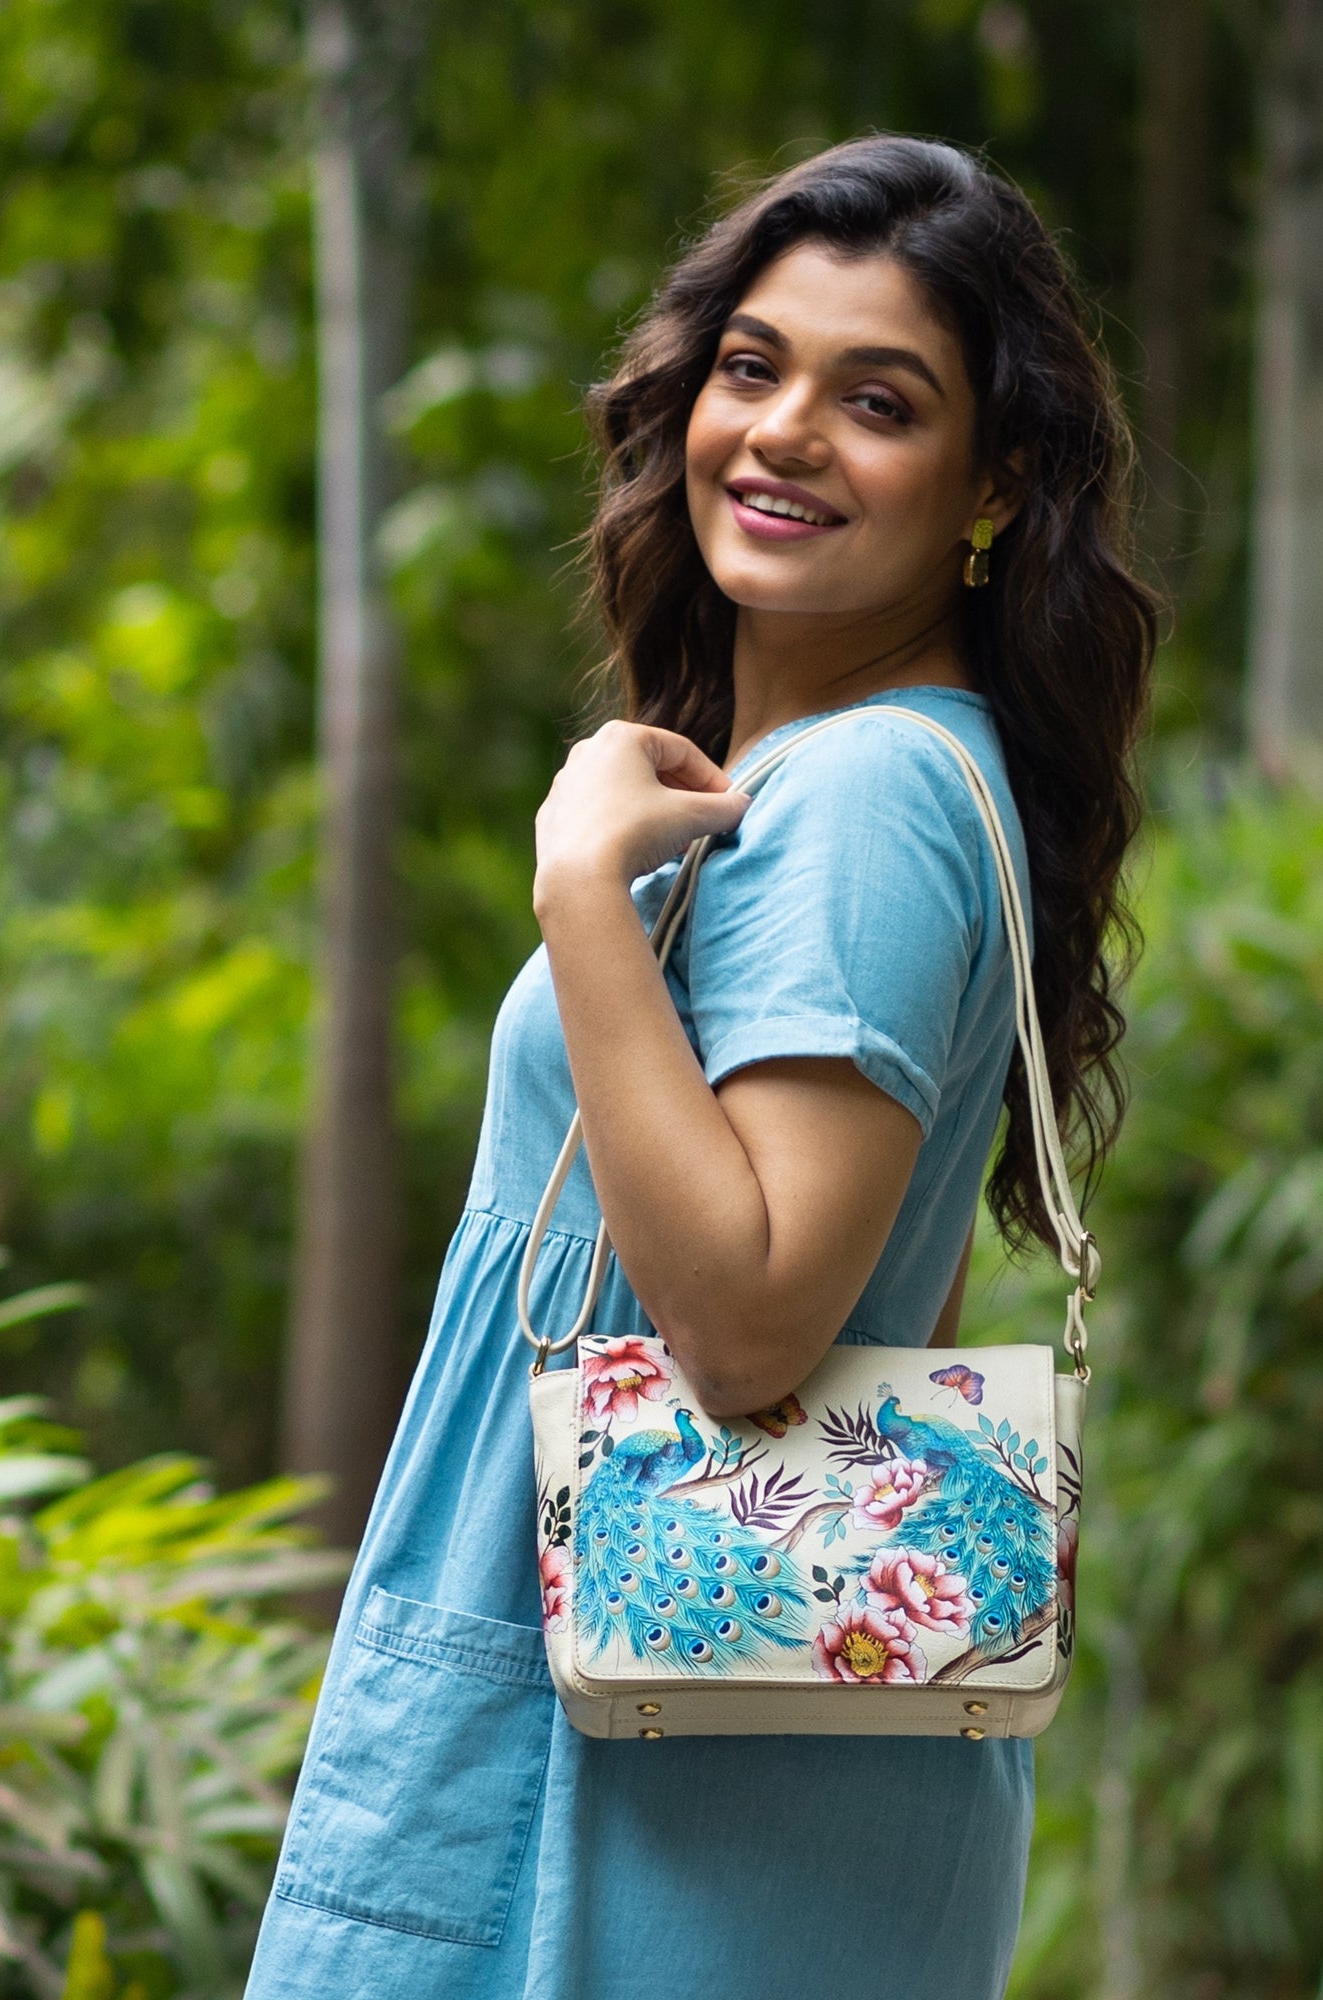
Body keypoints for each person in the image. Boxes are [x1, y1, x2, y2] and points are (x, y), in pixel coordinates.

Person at [246, 133, 1155, 2000]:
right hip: (670, 1752)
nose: (785, 431)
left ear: (992, 486)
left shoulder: (872, 797)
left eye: (877, 399)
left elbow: (744, 1327)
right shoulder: (819, 778)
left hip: (664, 1815)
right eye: (753, 369)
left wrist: (579, 886)